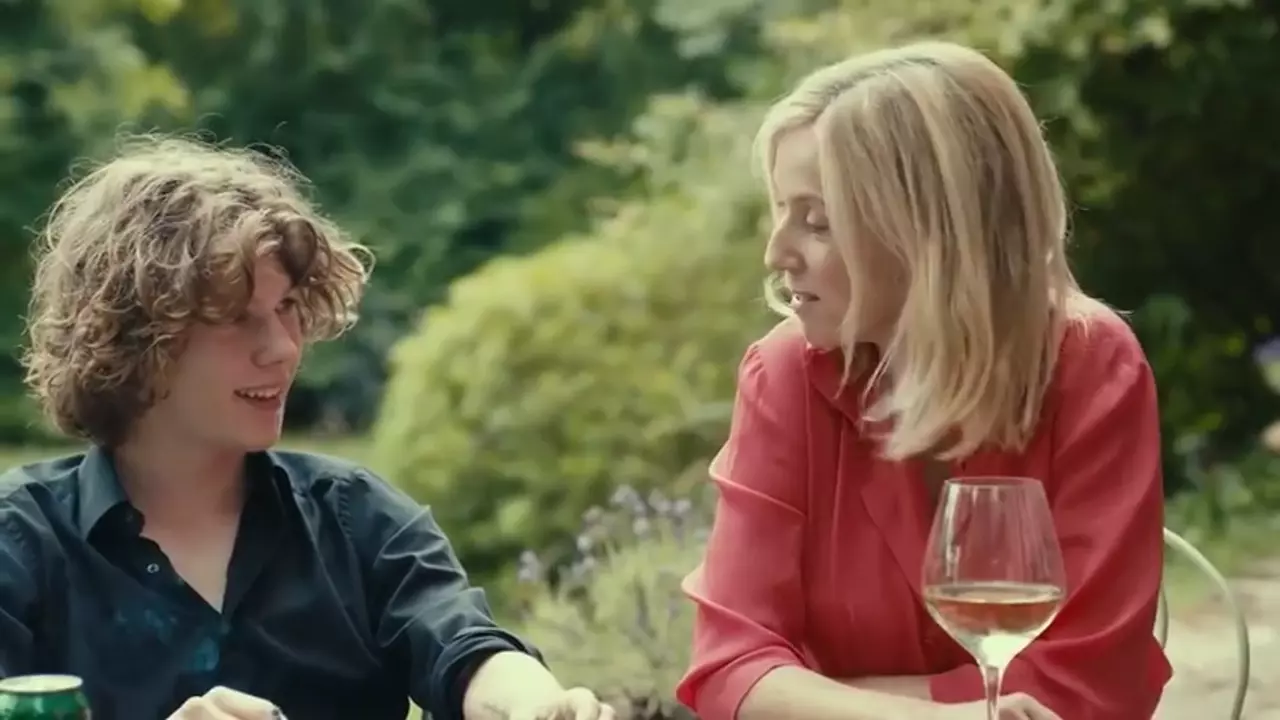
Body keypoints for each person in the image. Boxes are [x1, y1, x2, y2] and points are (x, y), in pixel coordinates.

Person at [0, 135, 613, 720]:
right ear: (136, 341)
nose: (283, 348)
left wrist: (536, 703)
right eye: (235, 318)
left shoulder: (356, 520)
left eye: (287, 307)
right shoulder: (20, 547)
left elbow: (464, 648)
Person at [674, 42, 1172, 720]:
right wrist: (941, 716)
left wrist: (823, 700)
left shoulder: (1090, 365)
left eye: (818, 221)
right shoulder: (785, 375)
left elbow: (1088, 690)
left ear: (932, 231)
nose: (776, 252)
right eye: (781, 212)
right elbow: (730, 672)